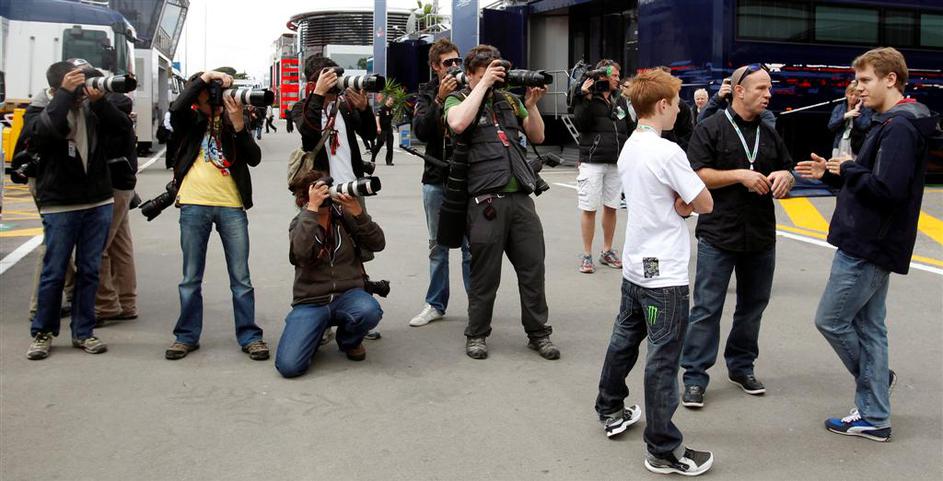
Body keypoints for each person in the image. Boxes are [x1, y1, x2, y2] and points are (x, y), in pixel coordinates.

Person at [796, 47, 938, 442]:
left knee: (831, 320)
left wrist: (848, 168)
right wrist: (833, 174)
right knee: (870, 327)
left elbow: (887, 190)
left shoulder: (899, 127)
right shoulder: (895, 121)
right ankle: (874, 414)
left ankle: (875, 391)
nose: (858, 88)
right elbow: (872, 180)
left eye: (865, 80)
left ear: (890, 79)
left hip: (867, 243)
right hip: (873, 240)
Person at [595, 67, 715, 476]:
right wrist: (684, 204)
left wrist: (679, 203)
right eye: (676, 103)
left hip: (636, 266)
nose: (680, 109)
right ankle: (663, 448)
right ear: (662, 105)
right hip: (664, 274)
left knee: (624, 340)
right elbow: (705, 202)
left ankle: (610, 408)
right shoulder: (668, 152)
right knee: (663, 358)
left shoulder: (630, 146)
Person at [680, 63, 796, 408]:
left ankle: (742, 366)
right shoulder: (711, 127)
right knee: (707, 308)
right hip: (719, 233)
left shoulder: (769, 130)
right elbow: (697, 174)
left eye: (769, 88)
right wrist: (740, 175)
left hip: (760, 235)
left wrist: (786, 178)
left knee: (752, 307)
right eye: (761, 88)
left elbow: (787, 168)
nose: (768, 94)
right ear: (739, 91)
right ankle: (694, 376)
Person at [444, 44, 559, 360]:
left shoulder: (508, 100)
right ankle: (477, 334)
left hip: (520, 199)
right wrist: (482, 86)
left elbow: (537, 136)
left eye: (496, 74)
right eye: (485, 73)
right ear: (470, 74)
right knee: (485, 277)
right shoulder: (457, 99)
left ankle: (538, 333)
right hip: (485, 203)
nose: (494, 79)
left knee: (533, 270)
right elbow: (457, 124)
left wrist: (531, 105)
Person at [20, 59, 131, 360]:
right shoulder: (41, 107)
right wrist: (64, 97)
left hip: (98, 200)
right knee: (54, 271)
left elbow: (123, 131)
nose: (84, 92)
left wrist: (100, 103)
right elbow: (42, 135)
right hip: (60, 202)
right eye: (77, 86)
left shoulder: (92, 108)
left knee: (90, 270)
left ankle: (84, 331)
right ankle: (43, 333)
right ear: (58, 87)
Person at [164, 70, 269, 361]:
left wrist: (239, 126)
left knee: (241, 278)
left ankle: (250, 336)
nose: (215, 96)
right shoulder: (190, 120)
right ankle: (186, 336)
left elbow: (254, 158)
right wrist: (206, 76)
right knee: (190, 278)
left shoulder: (234, 119)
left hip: (231, 205)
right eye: (209, 90)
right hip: (193, 203)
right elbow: (176, 108)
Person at [291, 55, 379, 340]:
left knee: (357, 251)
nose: (334, 81)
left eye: (335, 76)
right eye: (327, 76)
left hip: (350, 189)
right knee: (321, 249)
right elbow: (308, 136)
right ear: (313, 80)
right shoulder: (303, 107)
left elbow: (370, 134)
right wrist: (318, 95)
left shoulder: (346, 106)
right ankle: (322, 318)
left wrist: (364, 109)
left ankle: (357, 317)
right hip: (321, 191)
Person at [275, 169, 386, 378]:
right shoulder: (300, 222)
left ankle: (348, 342)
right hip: (311, 301)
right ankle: (313, 332)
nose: (325, 194)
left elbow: (378, 243)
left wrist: (359, 214)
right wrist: (312, 209)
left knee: (369, 310)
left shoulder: (343, 216)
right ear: (305, 197)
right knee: (289, 367)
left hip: (348, 295)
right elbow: (300, 255)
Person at [409, 38, 471, 328]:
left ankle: (477, 306)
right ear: (435, 66)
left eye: (458, 61)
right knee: (438, 247)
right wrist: (438, 100)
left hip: (469, 177)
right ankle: (435, 304)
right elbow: (421, 132)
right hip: (436, 179)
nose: (455, 67)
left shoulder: (470, 89)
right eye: (449, 63)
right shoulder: (425, 94)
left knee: (472, 248)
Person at [572, 59, 633, 274]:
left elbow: (629, 127)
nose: (618, 79)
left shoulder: (619, 99)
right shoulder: (587, 97)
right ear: (602, 76)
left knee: (611, 207)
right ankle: (587, 254)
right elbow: (581, 124)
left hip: (616, 162)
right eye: (614, 75)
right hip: (592, 161)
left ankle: (607, 251)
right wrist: (585, 97)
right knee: (589, 208)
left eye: (618, 75)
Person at [95, 92, 138, 325]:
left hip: (112, 189)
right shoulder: (125, 126)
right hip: (124, 188)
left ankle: (105, 305)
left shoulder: (117, 126)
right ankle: (127, 302)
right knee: (121, 247)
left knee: (99, 246)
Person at [697, 76, 776, 129]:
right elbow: (701, 120)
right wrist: (718, 97)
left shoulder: (763, 115)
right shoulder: (722, 115)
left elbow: (766, 137)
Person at [828, 80, 873, 158]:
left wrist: (856, 112)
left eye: (856, 95)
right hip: (840, 143)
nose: (853, 97)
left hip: (856, 145)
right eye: (851, 94)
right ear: (846, 94)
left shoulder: (866, 109)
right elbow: (831, 126)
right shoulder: (839, 108)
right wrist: (845, 116)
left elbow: (864, 126)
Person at [655, 67, 694, 149]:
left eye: (669, 79)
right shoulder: (649, 102)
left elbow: (687, 134)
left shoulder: (682, 106)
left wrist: (675, 149)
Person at [375, 93, 395, 166]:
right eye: (390, 101)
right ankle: (373, 157)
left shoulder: (391, 109)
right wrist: (378, 127)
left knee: (390, 146)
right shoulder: (382, 108)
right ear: (387, 100)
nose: (391, 102)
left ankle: (389, 161)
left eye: (392, 101)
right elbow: (377, 118)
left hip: (389, 129)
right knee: (379, 145)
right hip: (382, 129)